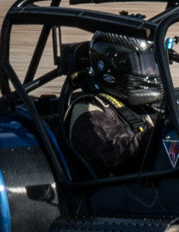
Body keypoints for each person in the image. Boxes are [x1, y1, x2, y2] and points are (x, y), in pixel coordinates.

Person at [65, 31, 161, 175]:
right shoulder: (87, 110)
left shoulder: (143, 103)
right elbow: (113, 155)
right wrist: (160, 134)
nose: (151, 70)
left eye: (152, 63)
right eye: (142, 64)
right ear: (116, 66)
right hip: (117, 193)